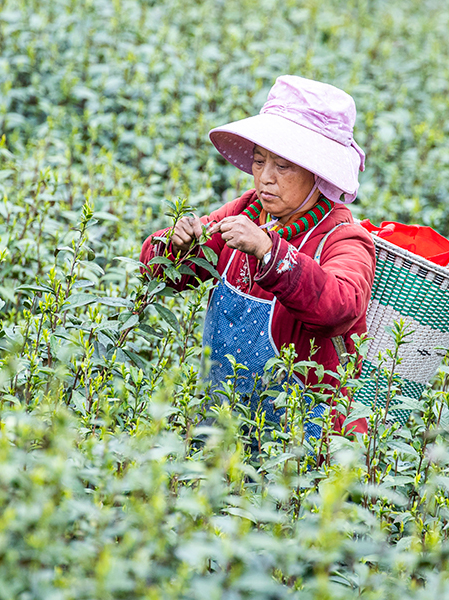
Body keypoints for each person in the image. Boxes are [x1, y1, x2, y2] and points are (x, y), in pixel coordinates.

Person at [140, 75, 376, 445]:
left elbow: (340, 307)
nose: (264, 178)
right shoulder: (246, 210)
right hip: (222, 414)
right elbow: (168, 274)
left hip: (300, 435)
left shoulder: (343, 237)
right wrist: (175, 246)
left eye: (283, 167)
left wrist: (270, 253)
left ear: (318, 175)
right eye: (259, 161)